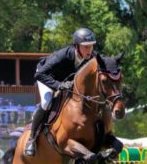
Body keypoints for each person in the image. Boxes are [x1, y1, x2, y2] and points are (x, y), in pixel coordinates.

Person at [24, 27, 98, 156]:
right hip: (47, 77)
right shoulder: (63, 55)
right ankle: (32, 139)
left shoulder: (92, 58)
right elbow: (40, 74)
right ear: (77, 46)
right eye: (86, 47)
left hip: (66, 81)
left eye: (91, 46)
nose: (89, 50)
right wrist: (58, 85)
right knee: (46, 102)